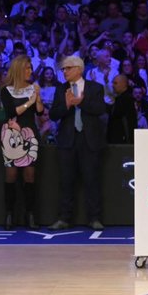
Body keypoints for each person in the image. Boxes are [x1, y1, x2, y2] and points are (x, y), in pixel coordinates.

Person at [48, 55, 107, 231]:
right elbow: (53, 115)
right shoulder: (61, 89)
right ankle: (64, 218)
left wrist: (82, 103)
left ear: (79, 69)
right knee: (66, 181)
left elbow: (100, 109)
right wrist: (66, 105)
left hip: (89, 140)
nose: (64, 71)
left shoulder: (95, 88)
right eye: (63, 69)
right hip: (68, 140)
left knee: (92, 181)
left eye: (68, 68)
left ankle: (94, 218)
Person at [0, 55, 44, 229]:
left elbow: (40, 112)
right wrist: (29, 102)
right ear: (19, 69)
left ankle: (30, 214)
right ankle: (9, 213)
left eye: (31, 68)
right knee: (11, 175)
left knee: (29, 175)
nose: (30, 71)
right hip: (11, 134)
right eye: (27, 68)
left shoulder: (33, 88)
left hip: (30, 133)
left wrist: (37, 98)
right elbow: (11, 112)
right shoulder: (6, 90)